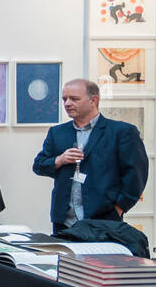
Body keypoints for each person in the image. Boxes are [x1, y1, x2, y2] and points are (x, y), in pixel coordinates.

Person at [32, 79, 149, 233]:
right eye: (64, 99)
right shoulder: (57, 132)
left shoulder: (122, 132)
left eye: (74, 99)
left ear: (93, 100)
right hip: (64, 222)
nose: (67, 103)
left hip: (104, 221)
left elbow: (136, 175)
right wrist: (59, 160)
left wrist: (119, 209)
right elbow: (39, 166)